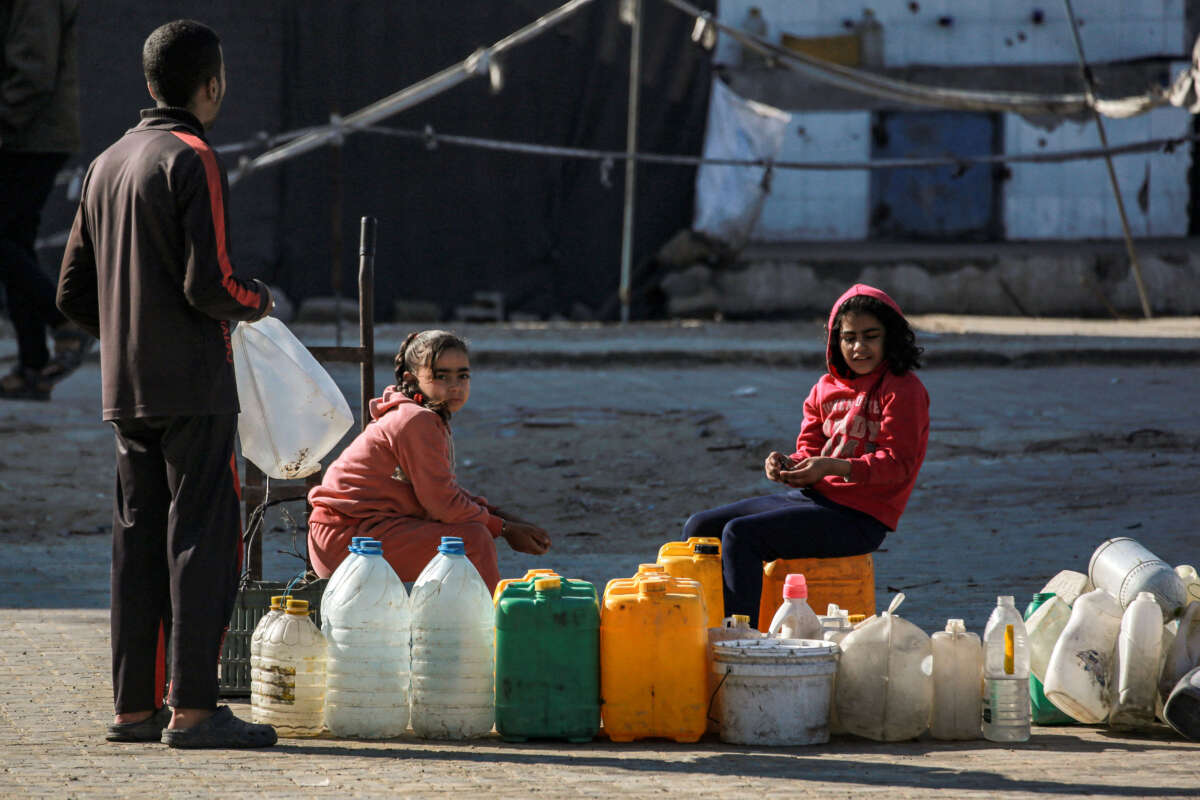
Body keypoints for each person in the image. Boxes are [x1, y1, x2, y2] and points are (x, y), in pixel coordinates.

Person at [57, 20, 277, 748]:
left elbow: (71, 295)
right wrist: (261, 300)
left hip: (125, 391)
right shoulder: (194, 156)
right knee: (203, 541)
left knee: (138, 542)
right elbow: (210, 283)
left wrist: (128, 335)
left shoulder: (107, 162)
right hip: (194, 386)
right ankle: (193, 708)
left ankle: (132, 708)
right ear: (209, 85)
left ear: (150, 83)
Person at [682, 284, 930, 627]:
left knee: (741, 535)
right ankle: (698, 627)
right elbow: (809, 449)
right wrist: (786, 465)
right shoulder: (824, 387)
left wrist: (834, 467)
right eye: (849, 337)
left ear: (891, 338)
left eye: (870, 336)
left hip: (860, 518)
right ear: (835, 341)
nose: (859, 347)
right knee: (700, 526)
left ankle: (740, 638)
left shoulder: (904, 389)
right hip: (811, 499)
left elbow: (898, 464)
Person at [308, 329, 552, 591]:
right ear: (411, 379)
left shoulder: (423, 416)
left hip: (364, 532)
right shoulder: (416, 420)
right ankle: (494, 626)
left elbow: (442, 490)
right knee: (473, 539)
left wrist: (499, 514)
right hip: (346, 540)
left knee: (469, 530)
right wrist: (503, 528)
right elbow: (443, 504)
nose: (455, 385)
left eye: (463, 375)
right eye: (441, 376)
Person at [0, 0, 92, 401]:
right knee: (14, 239)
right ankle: (32, 367)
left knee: (6, 238)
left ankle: (65, 321)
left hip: (30, 134)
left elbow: (33, 73)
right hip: (29, 133)